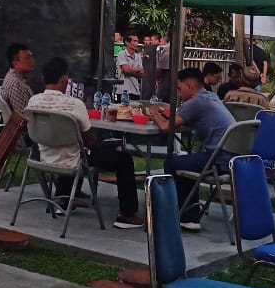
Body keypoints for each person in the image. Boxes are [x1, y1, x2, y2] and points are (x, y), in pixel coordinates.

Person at [26, 57, 143, 229]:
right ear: (64, 80)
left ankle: (63, 199)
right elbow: (91, 141)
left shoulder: (33, 102)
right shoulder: (74, 105)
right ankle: (127, 214)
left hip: (44, 157)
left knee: (74, 147)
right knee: (122, 158)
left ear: (44, 78)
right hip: (73, 160)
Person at [146, 67, 234, 232]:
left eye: (180, 89)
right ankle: (189, 213)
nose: (179, 94)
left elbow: (166, 127)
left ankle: (178, 213)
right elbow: (184, 117)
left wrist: (154, 113)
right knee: (187, 161)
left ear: (189, 86)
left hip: (219, 160)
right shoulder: (210, 97)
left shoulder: (196, 102)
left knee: (172, 163)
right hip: (234, 159)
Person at [0, 43, 36, 119]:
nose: (32, 60)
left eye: (31, 57)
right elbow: (23, 119)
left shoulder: (15, 78)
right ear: (15, 63)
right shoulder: (16, 85)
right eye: (28, 58)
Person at [116, 34, 143, 99]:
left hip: (135, 91)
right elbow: (126, 70)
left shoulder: (138, 56)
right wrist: (137, 69)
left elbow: (141, 73)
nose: (136, 43)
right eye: (134, 41)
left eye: (137, 41)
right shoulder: (122, 54)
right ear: (127, 42)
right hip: (123, 91)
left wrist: (130, 70)